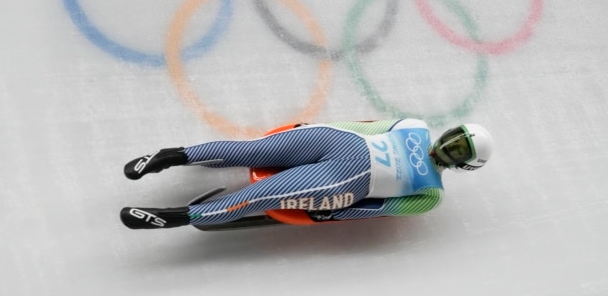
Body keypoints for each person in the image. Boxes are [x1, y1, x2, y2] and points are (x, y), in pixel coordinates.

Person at [120, 119, 493, 229]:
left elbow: (378, 208)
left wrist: (332, 213)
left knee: (262, 195)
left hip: (345, 181)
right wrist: (314, 126)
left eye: (459, 150)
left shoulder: (430, 195)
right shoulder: (415, 125)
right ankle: (170, 155)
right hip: (335, 142)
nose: (448, 146)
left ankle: (181, 217)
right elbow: (363, 126)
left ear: (464, 165)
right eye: (453, 138)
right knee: (252, 149)